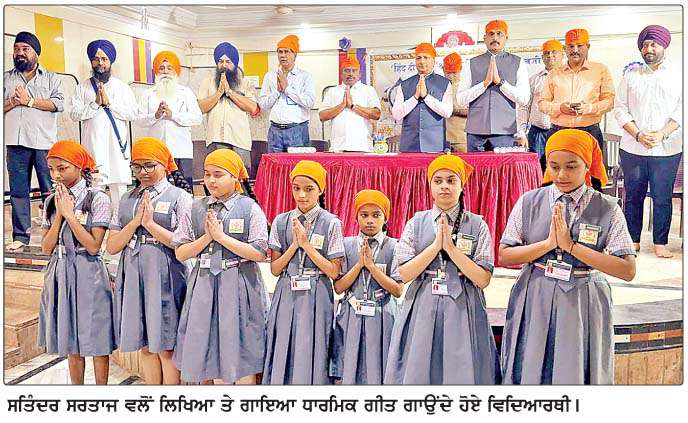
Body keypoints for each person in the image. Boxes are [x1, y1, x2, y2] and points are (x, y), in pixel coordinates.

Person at [499, 129, 636, 384]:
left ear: (587, 166)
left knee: (576, 365)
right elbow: (505, 255)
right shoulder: (529, 201)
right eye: (554, 167)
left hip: (583, 297)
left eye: (571, 167)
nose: (561, 175)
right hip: (536, 292)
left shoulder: (608, 208)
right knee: (531, 363)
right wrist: (548, 244)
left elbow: (627, 270)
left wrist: (571, 247)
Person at [384, 154, 500, 384]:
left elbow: (483, 279)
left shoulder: (477, 224)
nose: (444, 186)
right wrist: (436, 246)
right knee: (420, 365)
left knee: (463, 368)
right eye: (438, 181)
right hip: (423, 301)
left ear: (462, 185)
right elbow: (404, 274)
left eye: (451, 180)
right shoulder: (416, 222)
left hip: (465, 302)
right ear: (430, 186)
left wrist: (452, 250)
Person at [173, 149, 269, 385]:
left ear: (234, 177)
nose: (211, 180)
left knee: (242, 344)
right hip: (204, 284)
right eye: (207, 174)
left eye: (218, 174)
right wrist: (207, 238)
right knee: (208, 343)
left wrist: (221, 238)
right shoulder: (196, 207)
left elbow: (259, 252)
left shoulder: (249, 208)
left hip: (238, 282)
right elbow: (181, 251)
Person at [106, 137, 192, 385]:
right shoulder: (127, 199)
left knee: (166, 345)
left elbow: (184, 244)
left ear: (164, 165)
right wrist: (135, 222)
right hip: (133, 272)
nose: (143, 172)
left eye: (149, 165)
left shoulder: (179, 197)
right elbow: (112, 246)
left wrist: (150, 224)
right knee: (144, 344)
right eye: (137, 166)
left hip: (165, 272)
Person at [37, 140, 114, 384]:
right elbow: (46, 247)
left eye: (62, 168)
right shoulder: (52, 201)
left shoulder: (97, 198)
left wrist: (70, 215)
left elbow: (93, 245)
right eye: (51, 169)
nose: (56, 175)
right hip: (60, 269)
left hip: (87, 270)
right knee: (71, 339)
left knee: (97, 336)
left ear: (79, 166)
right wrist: (60, 214)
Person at [263, 160, 345, 384]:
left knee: (314, 343)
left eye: (309, 189)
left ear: (321, 190)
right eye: (296, 188)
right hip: (286, 289)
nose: (301, 195)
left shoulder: (331, 223)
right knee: (284, 341)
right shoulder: (281, 221)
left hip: (317, 292)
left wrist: (307, 246)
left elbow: (334, 271)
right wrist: (294, 246)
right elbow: (275, 269)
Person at [614, 25, 681, 259]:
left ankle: (660, 243)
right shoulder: (630, 75)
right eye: (644, 45)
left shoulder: (678, 74)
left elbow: (682, 109)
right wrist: (638, 134)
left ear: (664, 46)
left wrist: (662, 133)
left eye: (653, 44)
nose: (648, 49)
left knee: (662, 197)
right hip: (633, 147)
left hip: (667, 148)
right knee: (633, 196)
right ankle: (632, 240)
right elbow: (619, 108)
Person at [330, 189, 402, 384]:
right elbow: (339, 287)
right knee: (350, 366)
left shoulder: (394, 246)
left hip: (382, 315)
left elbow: (397, 290)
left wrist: (371, 267)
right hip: (351, 315)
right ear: (356, 217)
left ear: (385, 218)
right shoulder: (346, 245)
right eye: (364, 215)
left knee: (380, 368)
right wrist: (359, 265)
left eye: (376, 215)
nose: (370, 220)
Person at [4, 31, 65, 251]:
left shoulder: (51, 78)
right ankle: (21, 237)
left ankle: (56, 235)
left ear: (36, 53)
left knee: (49, 191)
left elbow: (59, 104)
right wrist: (14, 101)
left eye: (25, 49)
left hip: (44, 144)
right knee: (18, 192)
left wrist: (29, 101)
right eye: (16, 49)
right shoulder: (6, 78)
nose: (19, 53)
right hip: (15, 142)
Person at [70, 39, 139, 209]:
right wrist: (95, 104)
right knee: (94, 190)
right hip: (93, 147)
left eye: (104, 59)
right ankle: (96, 223)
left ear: (110, 61)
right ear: (91, 61)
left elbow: (133, 114)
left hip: (117, 148)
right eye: (96, 59)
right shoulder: (82, 87)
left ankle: (120, 223)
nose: (100, 63)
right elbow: (73, 114)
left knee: (119, 191)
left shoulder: (122, 88)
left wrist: (110, 104)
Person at [538, 28, 615, 154]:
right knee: (557, 167)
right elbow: (542, 104)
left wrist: (590, 108)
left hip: (589, 132)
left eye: (579, 46)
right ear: (565, 49)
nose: (575, 50)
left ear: (588, 47)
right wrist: (559, 108)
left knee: (591, 167)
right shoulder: (554, 73)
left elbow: (609, 102)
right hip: (559, 132)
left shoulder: (601, 70)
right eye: (571, 46)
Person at [457, 20, 530, 152]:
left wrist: (501, 83)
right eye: (491, 34)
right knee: (474, 166)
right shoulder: (471, 63)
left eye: (499, 34)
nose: (495, 38)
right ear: (485, 38)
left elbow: (524, 99)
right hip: (475, 132)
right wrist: (484, 84)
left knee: (501, 166)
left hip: (504, 132)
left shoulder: (518, 62)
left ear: (506, 37)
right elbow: (461, 99)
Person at [138, 51, 202, 189]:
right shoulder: (148, 94)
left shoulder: (186, 93)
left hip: (181, 150)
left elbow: (197, 118)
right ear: (156, 71)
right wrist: (155, 115)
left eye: (169, 68)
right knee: (157, 189)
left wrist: (173, 115)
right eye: (162, 68)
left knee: (184, 189)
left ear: (176, 71)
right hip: (156, 152)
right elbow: (139, 120)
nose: (165, 72)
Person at [198, 42, 259, 174]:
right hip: (216, 138)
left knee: (242, 177)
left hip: (239, 139)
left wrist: (230, 92)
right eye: (220, 61)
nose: (224, 65)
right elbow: (201, 108)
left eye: (228, 61)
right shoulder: (207, 82)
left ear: (235, 64)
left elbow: (253, 107)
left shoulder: (245, 83)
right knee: (219, 174)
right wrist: (219, 92)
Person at [391, 43, 452, 153]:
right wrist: (415, 98)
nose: (422, 61)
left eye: (426, 57)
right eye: (418, 58)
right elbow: (396, 114)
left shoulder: (444, 83)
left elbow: (447, 112)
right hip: (409, 145)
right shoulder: (404, 84)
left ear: (433, 60)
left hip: (435, 145)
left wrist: (426, 97)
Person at [258, 35, 315, 152]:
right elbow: (263, 104)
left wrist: (287, 89)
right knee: (274, 163)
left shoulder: (305, 76)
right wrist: (277, 92)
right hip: (275, 131)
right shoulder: (270, 76)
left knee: (297, 163)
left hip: (297, 130)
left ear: (295, 54)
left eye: (287, 52)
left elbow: (310, 102)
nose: (283, 55)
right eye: (280, 52)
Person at [517, 40, 564, 168]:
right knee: (537, 170)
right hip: (538, 134)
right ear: (542, 57)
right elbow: (524, 108)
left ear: (562, 54)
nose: (550, 56)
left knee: (561, 169)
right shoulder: (534, 80)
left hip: (562, 132)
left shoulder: (569, 78)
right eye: (546, 53)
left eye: (554, 52)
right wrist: (521, 133)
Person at [319, 56, 381, 152]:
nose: (350, 74)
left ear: (359, 74)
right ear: (341, 74)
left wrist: (353, 106)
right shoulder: (332, 91)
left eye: (354, 70)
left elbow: (376, 114)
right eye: (347, 70)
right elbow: (322, 116)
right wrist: (342, 105)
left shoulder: (368, 90)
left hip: (362, 146)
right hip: (338, 147)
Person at [443, 53, 469, 152]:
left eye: (454, 72)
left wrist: (456, 110)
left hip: (461, 139)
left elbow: (477, 111)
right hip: (441, 140)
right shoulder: (438, 85)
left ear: (461, 68)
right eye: (448, 73)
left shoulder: (467, 86)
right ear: (443, 70)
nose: (451, 76)